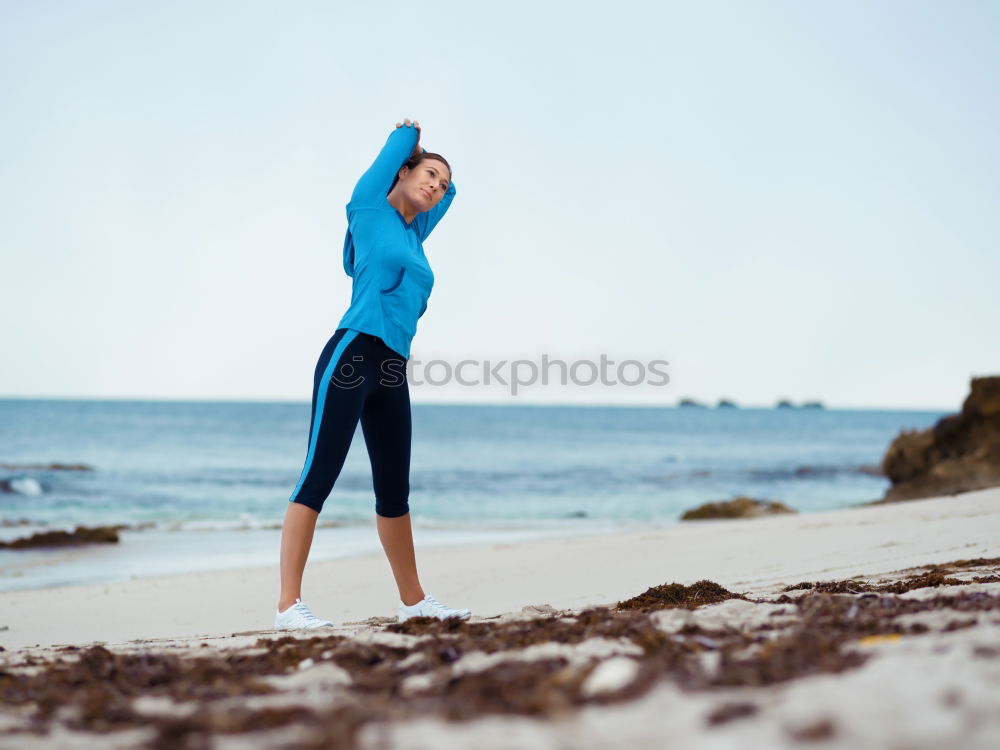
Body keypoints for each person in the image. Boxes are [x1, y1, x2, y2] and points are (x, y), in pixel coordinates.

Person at [274, 119, 468, 629]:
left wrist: (443, 177)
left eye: (441, 182)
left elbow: (457, 193)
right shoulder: (368, 208)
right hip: (352, 355)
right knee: (319, 475)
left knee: (394, 491)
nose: (436, 186)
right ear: (401, 173)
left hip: (391, 369)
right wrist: (410, 136)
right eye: (428, 175)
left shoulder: (415, 233)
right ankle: (289, 606)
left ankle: (414, 600)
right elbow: (399, 145)